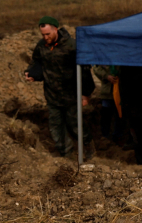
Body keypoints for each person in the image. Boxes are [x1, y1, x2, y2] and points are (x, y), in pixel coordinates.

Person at [24, 16, 92, 158]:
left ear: (56, 30)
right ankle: (66, 153)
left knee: (75, 125)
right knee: (56, 126)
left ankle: (88, 147)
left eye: (48, 34)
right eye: (43, 35)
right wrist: (32, 73)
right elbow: (37, 62)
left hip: (71, 94)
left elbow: (84, 71)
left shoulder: (71, 46)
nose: (45, 37)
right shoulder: (41, 46)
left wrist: (85, 94)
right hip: (52, 95)